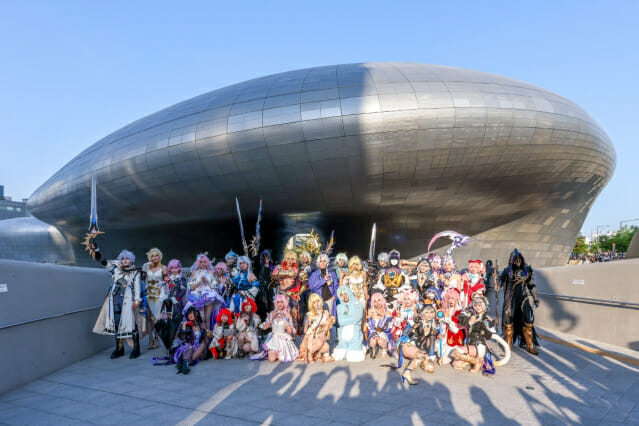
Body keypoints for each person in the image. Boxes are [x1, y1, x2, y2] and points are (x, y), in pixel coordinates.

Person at [90, 241, 142, 359]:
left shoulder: (135, 273)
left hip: (128, 300)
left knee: (131, 324)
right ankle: (119, 349)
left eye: (127, 259)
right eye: (122, 259)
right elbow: (103, 262)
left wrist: (137, 301)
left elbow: (137, 287)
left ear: (131, 260)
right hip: (114, 299)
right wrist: (96, 250)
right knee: (117, 323)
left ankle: (136, 348)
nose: (125, 261)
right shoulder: (116, 270)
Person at [499, 249, 540, 355]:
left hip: (523, 299)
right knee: (508, 324)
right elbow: (500, 282)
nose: (517, 261)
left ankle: (530, 345)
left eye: (519, 259)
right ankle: (508, 345)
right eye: (515, 259)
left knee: (528, 323)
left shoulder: (526, 270)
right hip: (510, 299)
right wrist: (497, 282)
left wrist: (535, 298)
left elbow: (531, 285)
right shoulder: (507, 271)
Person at [451, 295, 497, 373]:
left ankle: (477, 362)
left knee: (455, 352)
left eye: (479, 305)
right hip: (470, 345)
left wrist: (488, 326)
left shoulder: (486, 319)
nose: (477, 307)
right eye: (475, 305)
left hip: (479, 346)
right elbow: (460, 319)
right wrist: (469, 319)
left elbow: (489, 335)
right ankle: (475, 361)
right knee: (456, 364)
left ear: (484, 306)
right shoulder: (471, 316)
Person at [394, 305, 439, 384]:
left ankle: (417, 359)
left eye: (431, 312)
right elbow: (404, 334)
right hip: (406, 344)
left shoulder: (432, 324)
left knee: (430, 367)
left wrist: (430, 357)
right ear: (422, 313)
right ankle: (407, 373)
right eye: (426, 312)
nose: (429, 314)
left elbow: (431, 342)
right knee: (421, 356)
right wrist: (413, 326)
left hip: (416, 348)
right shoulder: (416, 321)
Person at [185, 254, 226, 331]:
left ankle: (207, 334)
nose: (203, 264)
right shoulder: (194, 273)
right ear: (198, 263)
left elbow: (215, 285)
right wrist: (200, 281)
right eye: (201, 262)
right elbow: (190, 287)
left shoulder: (211, 272)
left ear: (207, 262)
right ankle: (199, 334)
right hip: (197, 296)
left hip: (209, 295)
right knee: (199, 318)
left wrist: (206, 280)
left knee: (207, 318)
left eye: (204, 262)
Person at [154, 259, 187, 352]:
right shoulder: (167, 279)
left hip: (177, 305)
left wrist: (175, 299)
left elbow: (183, 291)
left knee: (176, 323)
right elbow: (163, 291)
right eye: (172, 268)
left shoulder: (181, 279)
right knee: (168, 323)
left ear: (179, 268)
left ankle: (176, 342)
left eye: (176, 268)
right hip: (167, 305)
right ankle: (170, 343)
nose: (174, 270)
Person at [254, 294, 298, 363]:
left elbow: (290, 331)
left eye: (281, 302)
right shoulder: (272, 313)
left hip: (283, 340)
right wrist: (271, 318)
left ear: (285, 303)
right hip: (273, 338)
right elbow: (265, 328)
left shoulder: (287, 314)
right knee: (271, 359)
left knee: (282, 359)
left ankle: (279, 353)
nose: (280, 304)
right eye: (278, 302)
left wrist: (285, 320)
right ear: (275, 303)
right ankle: (274, 353)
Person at [141, 248, 168, 350]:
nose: (155, 257)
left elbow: (166, 280)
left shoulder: (163, 267)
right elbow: (142, 279)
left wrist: (164, 283)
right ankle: (150, 339)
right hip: (148, 294)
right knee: (149, 318)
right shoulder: (147, 267)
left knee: (157, 317)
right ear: (150, 257)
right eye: (153, 256)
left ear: (159, 256)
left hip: (159, 295)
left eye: (157, 255)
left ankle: (157, 339)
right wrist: (144, 268)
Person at [297, 293, 335, 363]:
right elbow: (307, 330)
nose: (317, 304)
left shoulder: (325, 313)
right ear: (312, 305)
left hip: (321, 335)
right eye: (314, 302)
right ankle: (309, 354)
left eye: (318, 301)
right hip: (312, 337)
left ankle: (316, 353)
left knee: (326, 347)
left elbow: (327, 326)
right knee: (319, 342)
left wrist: (324, 333)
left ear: (320, 301)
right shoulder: (310, 314)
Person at [173, 307, 211, 374]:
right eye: (189, 314)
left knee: (202, 345)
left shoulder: (202, 324)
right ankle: (185, 364)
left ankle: (184, 363)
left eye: (192, 313)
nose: (190, 315)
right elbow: (182, 338)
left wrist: (206, 348)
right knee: (190, 348)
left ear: (196, 314)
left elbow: (207, 339)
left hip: (200, 347)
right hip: (189, 345)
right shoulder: (186, 324)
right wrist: (184, 329)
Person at [333, 286, 366, 362]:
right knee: (339, 356)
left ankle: (360, 347)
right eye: (341, 295)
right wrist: (351, 319)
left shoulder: (357, 304)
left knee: (353, 357)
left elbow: (357, 319)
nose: (344, 296)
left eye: (345, 293)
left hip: (354, 333)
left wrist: (346, 319)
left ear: (349, 293)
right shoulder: (339, 307)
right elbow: (340, 322)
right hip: (343, 335)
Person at [272, 251, 301, 328]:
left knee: (293, 315)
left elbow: (296, 277)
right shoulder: (279, 267)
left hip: (293, 295)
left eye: (292, 259)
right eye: (288, 258)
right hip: (282, 295)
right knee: (281, 314)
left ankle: (293, 333)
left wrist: (282, 273)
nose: (290, 261)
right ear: (285, 259)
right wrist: (287, 273)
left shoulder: (296, 269)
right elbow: (274, 274)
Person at [365, 292, 393, 359]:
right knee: (373, 341)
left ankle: (385, 349)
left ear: (383, 301)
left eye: (379, 300)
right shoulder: (370, 311)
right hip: (373, 331)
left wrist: (381, 315)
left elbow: (383, 326)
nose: (377, 303)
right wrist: (375, 335)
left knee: (381, 341)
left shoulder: (387, 312)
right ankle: (374, 348)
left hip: (384, 332)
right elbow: (370, 326)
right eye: (375, 301)